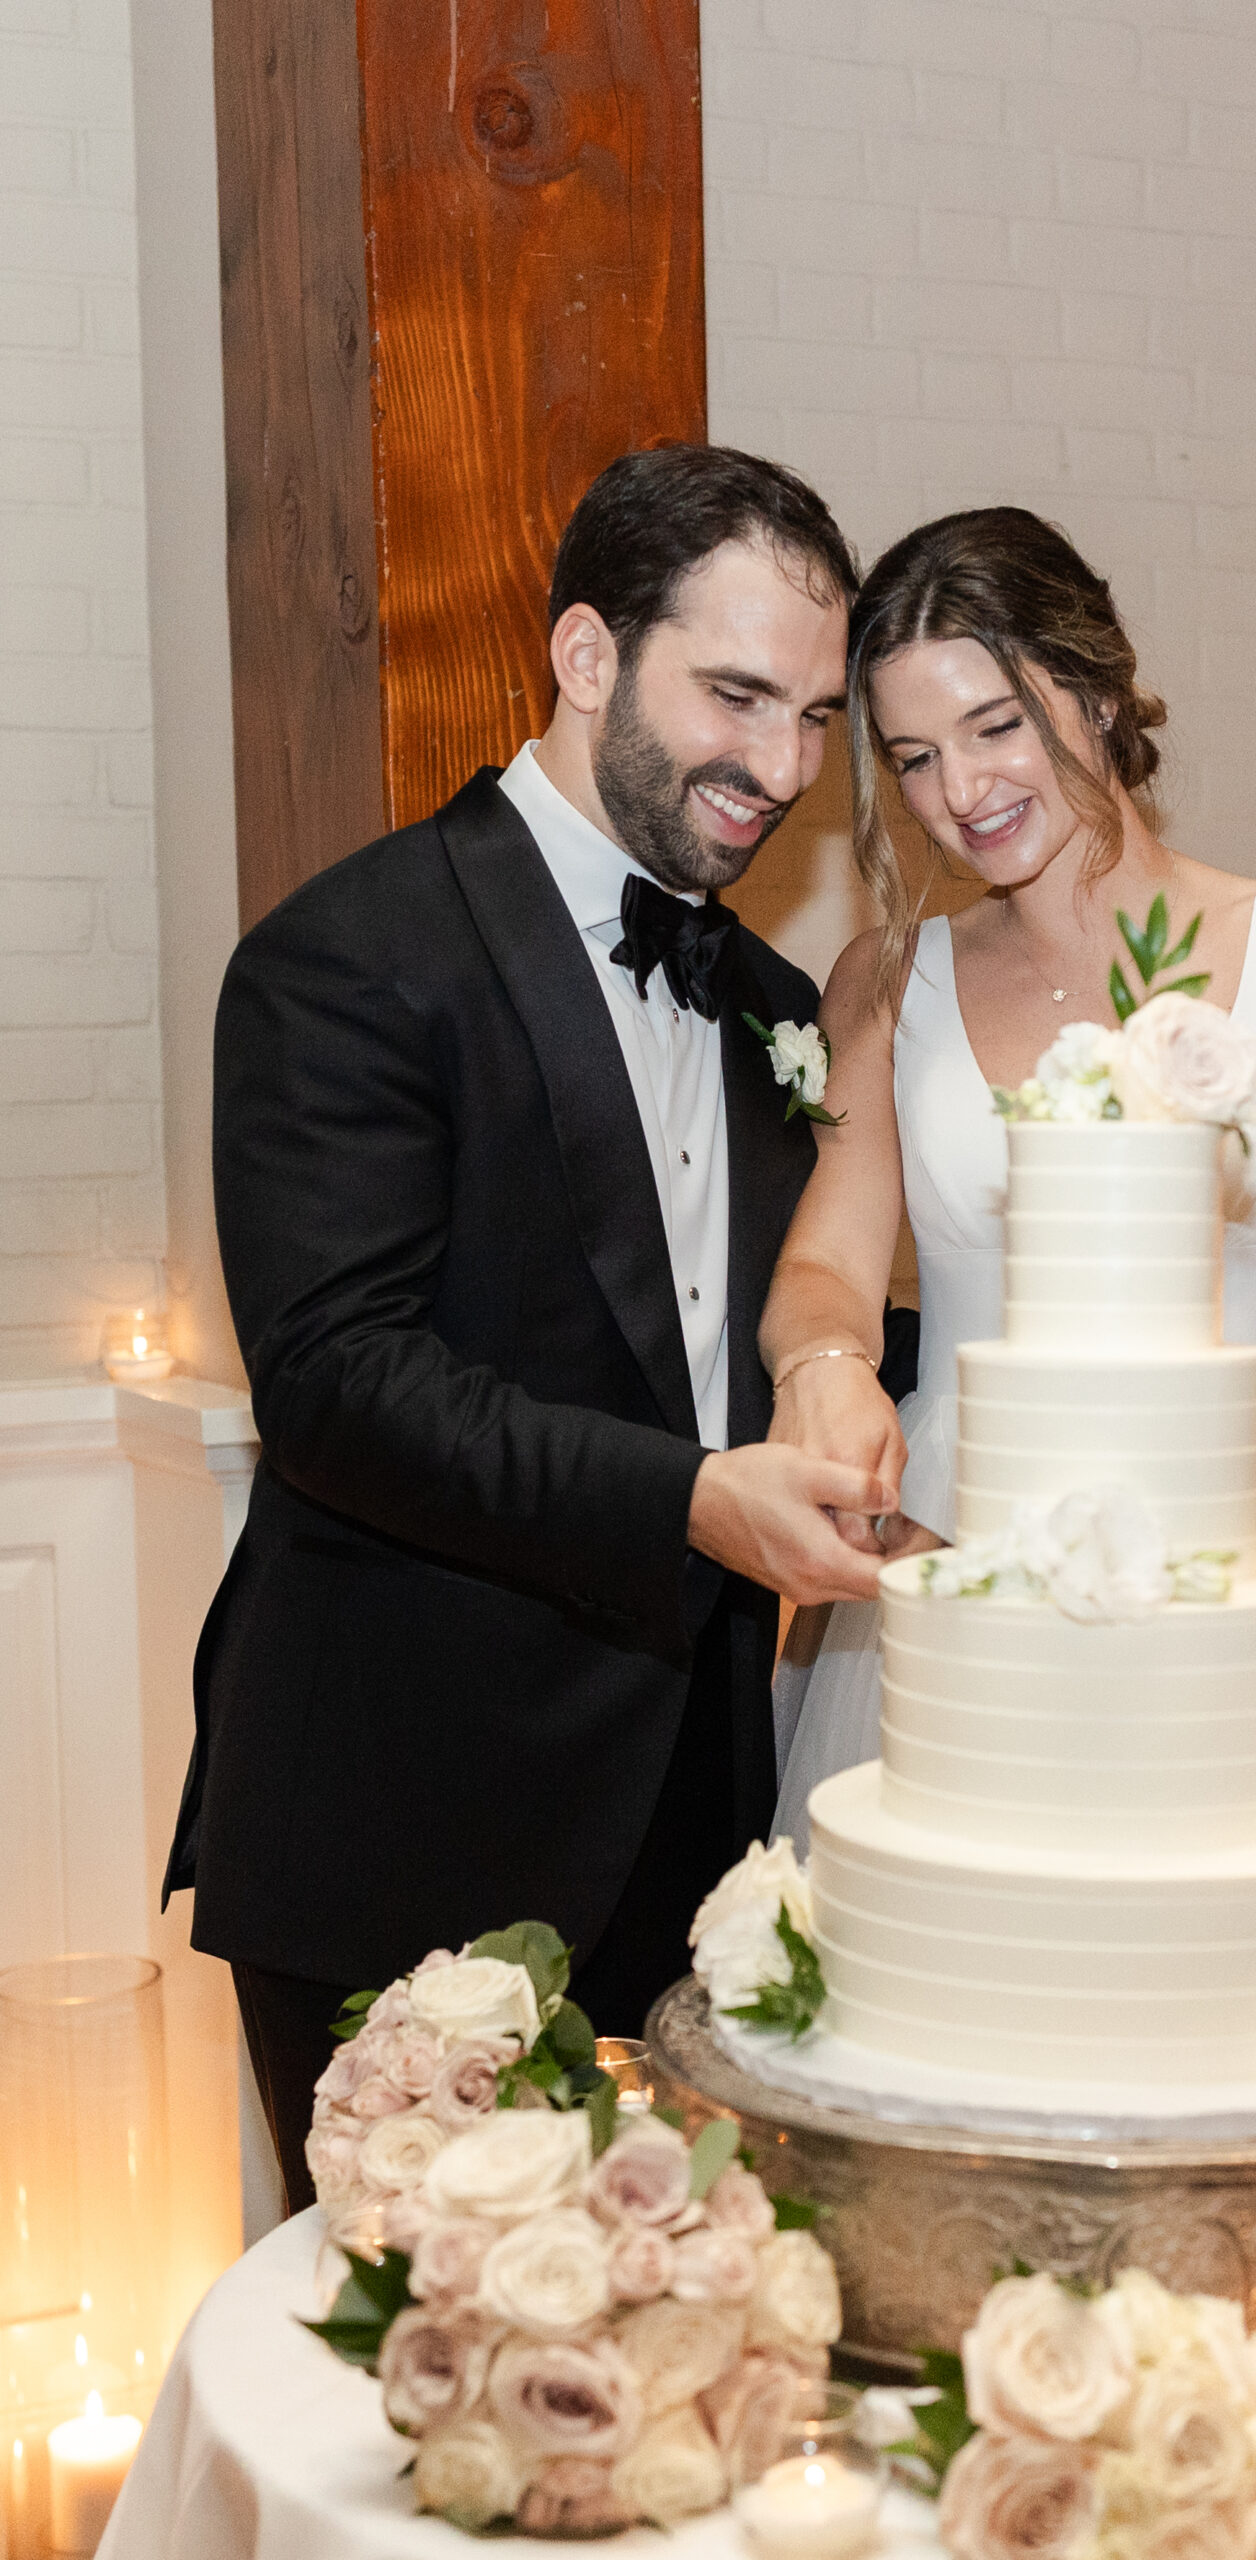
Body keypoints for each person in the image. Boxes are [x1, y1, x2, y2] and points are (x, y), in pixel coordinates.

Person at [162, 446, 901, 2211]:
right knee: (418, 2412)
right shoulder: (346, 957)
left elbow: (752, 1335)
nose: (782, 770)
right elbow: (341, 1383)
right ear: (584, 656)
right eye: (735, 697)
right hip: (410, 1828)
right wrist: (687, 1506)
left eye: (812, 718)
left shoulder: (772, 1006)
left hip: (701, 1837)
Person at [761, 505, 1256, 1896]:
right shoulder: (883, 983)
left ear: (1100, 692)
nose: (959, 792)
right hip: (962, 1536)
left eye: (996, 726)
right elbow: (826, 1261)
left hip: (1252, 1532)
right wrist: (822, 1364)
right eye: (913, 757)